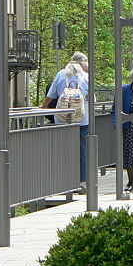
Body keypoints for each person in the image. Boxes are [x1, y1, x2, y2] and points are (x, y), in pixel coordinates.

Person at [42, 52, 89, 192]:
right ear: (81, 63)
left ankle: (63, 181)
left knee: (63, 149)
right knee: (82, 150)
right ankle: (82, 181)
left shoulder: (61, 74)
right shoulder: (85, 76)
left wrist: (44, 107)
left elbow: (51, 94)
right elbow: (91, 97)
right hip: (82, 118)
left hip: (61, 118)